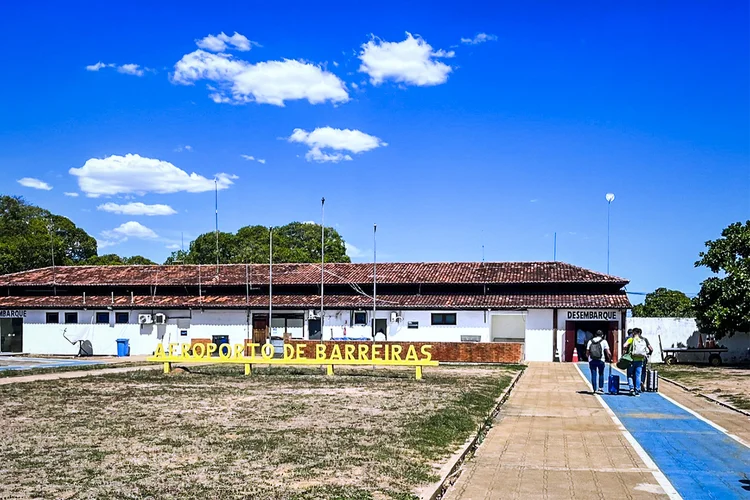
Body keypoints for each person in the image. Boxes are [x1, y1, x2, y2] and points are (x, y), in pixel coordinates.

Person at [623, 328, 653, 396]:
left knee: (629, 374)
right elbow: (651, 348)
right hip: (640, 360)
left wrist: (626, 351)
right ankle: (637, 389)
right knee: (638, 375)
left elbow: (624, 346)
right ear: (640, 333)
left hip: (631, 360)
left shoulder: (631, 339)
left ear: (633, 333)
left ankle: (631, 388)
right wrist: (649, 354)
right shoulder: (644, 340)